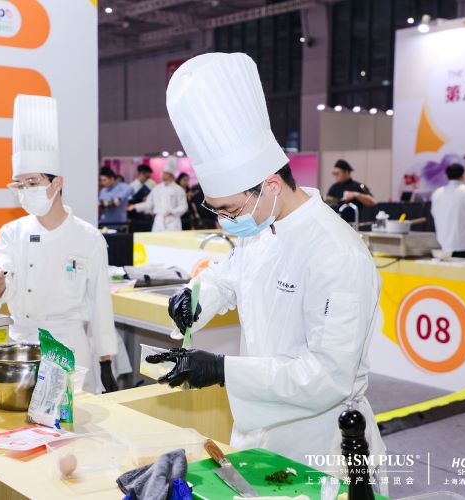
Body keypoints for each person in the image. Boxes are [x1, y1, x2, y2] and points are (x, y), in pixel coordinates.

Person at [149, 52, 387, 483]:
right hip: (259, 429)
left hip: (321, 442)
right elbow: (229, 275)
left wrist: (221, 368)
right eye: (216, 210)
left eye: (229, 209)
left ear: (271, 185)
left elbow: (326, 377)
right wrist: (197, 296)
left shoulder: (336, 253)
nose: (225, 221)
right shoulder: (262, 225)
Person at [0, 94, 119, 394]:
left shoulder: (88, 237)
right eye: (20, 184)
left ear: (57, 184)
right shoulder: (11, 233)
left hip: (69, 347)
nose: (25, 191)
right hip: (21, 349)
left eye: (33, 182)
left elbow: (100, 303)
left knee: (70, 417)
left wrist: (106, 360)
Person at [431, 163, 465, 258]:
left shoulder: (437, 193)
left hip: (443, 243)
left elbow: (433, 213)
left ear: (447, 176)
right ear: (462, 175)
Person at [128, 160, 188, 232]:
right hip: (159, 220)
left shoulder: (179, 190)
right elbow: (149, 204)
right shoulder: (157, 188)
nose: (164, 175)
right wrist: (135, 206)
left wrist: (173, 212)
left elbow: (183, 206)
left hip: (173, 221)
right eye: (164, 173)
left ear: (172, 176)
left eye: (166, 174)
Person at [326, 159, 377, 224]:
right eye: (334, 173)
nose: (335, 176)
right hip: (336, 223)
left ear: (346, 172)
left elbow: (373, 201)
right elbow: (327, 204)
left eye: (338, 173)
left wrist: (356, 194)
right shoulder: (333, 188)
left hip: (354, 224)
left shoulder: (359, 186)